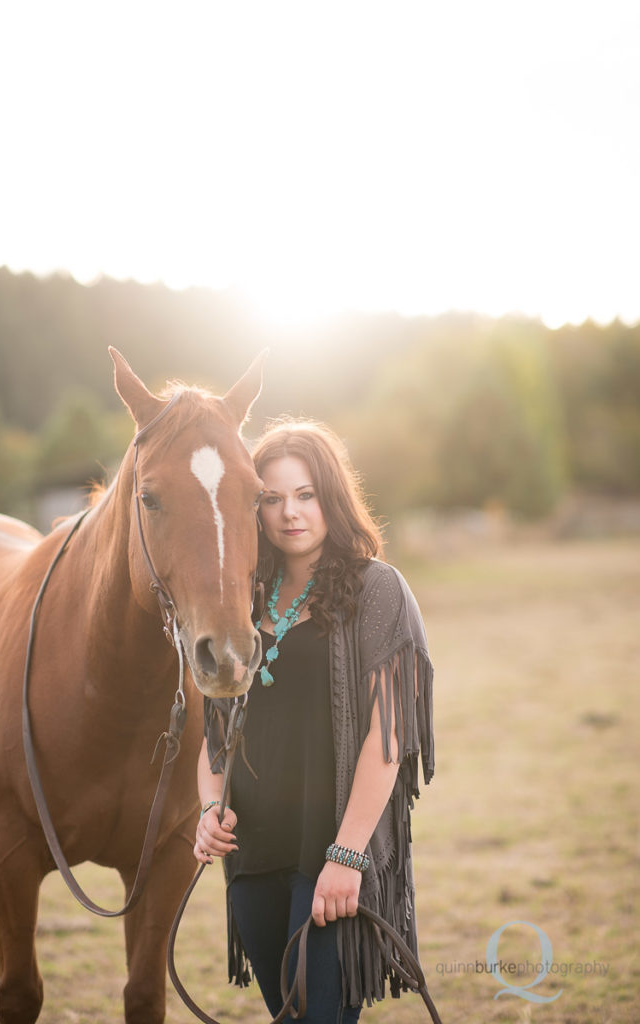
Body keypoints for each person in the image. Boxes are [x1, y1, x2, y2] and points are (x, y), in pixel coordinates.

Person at [194, 419, 435, 1022]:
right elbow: (215, 736)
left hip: (332, 850)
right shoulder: (243, 599)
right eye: (270, 499)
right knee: (287, 1015)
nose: (289, 514)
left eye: (305, 495)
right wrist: (207, 808)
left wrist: (347, 855)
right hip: (252, 853)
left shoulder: (376, 590)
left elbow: (389, 740)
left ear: (332, 496)